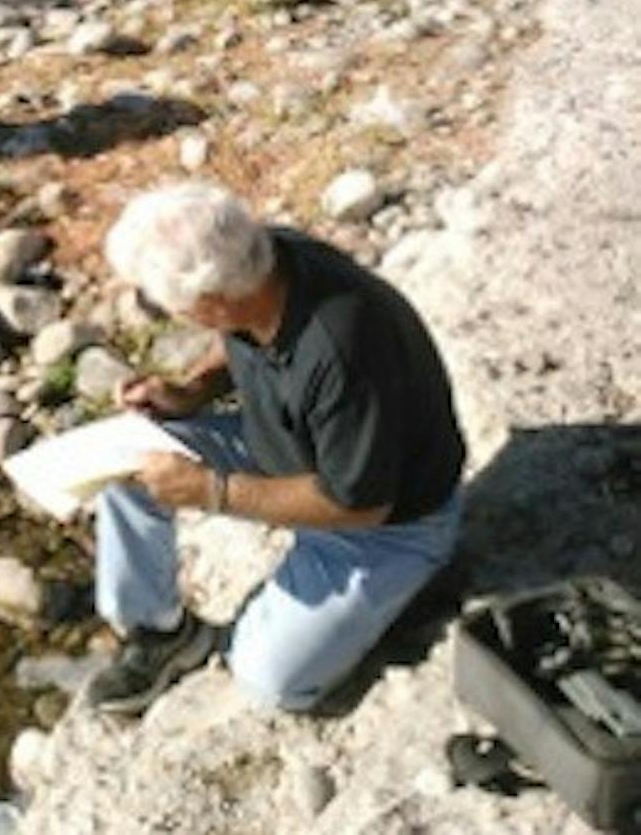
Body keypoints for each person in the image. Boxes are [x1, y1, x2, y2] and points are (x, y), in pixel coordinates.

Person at [78, 181, 464, 715]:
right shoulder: (259, 260)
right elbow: (237, 341)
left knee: (270, 681)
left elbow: (360, 504)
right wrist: (193, 391)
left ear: (209, 305)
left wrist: (211, 492)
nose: (162, 311)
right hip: (286, 446)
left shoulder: (342, 350)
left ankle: (406, 591)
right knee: (123, 466)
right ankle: (164, 633)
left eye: (167, 304)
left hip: (385, 524)